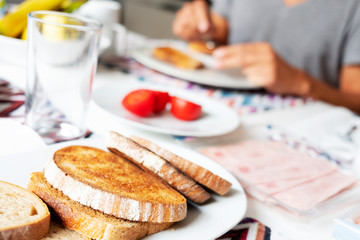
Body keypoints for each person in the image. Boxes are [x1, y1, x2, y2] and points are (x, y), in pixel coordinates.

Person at [172, 0, 360, 113]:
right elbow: (219, 34)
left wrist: (299, 82)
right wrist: (199, 27)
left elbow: (356, 101)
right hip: (217, 112)